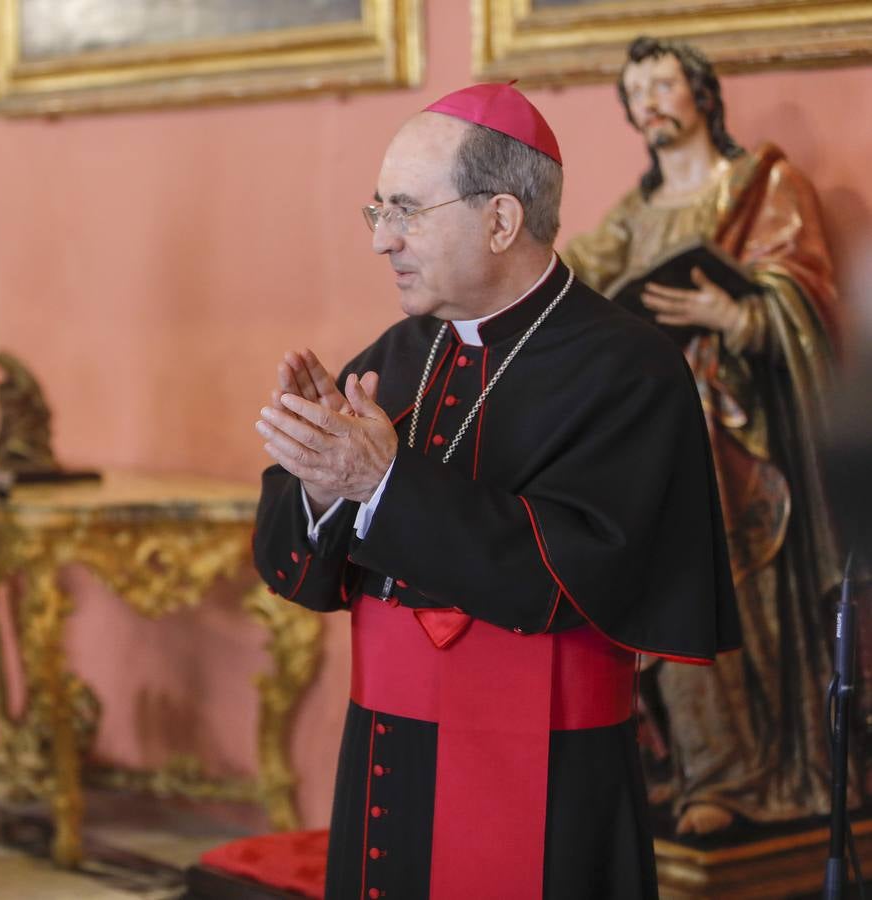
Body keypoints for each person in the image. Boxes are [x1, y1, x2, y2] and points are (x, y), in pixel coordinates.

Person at [253, 83, 739, 898]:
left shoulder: (630, 370)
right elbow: (297, 567)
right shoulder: (399, 353)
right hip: (389, 749)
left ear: (501, 220)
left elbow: (575, 570)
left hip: (550, 763)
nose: (383, 241)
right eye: (377, 210)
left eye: (405, 210)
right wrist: (318, 482)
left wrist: (383, 482)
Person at [564, 36, 847, 835]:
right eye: (636, 91)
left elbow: (807, 303)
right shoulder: (636, 210)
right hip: (655, 436)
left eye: (663, 85)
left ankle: (746, 770)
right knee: (649, 577)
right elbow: (581, 269)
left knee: (726, 591)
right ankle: (686, 764)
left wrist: (738, 316)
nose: (648, 101)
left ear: (702, 95)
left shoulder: (764, 185)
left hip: (745, 444)